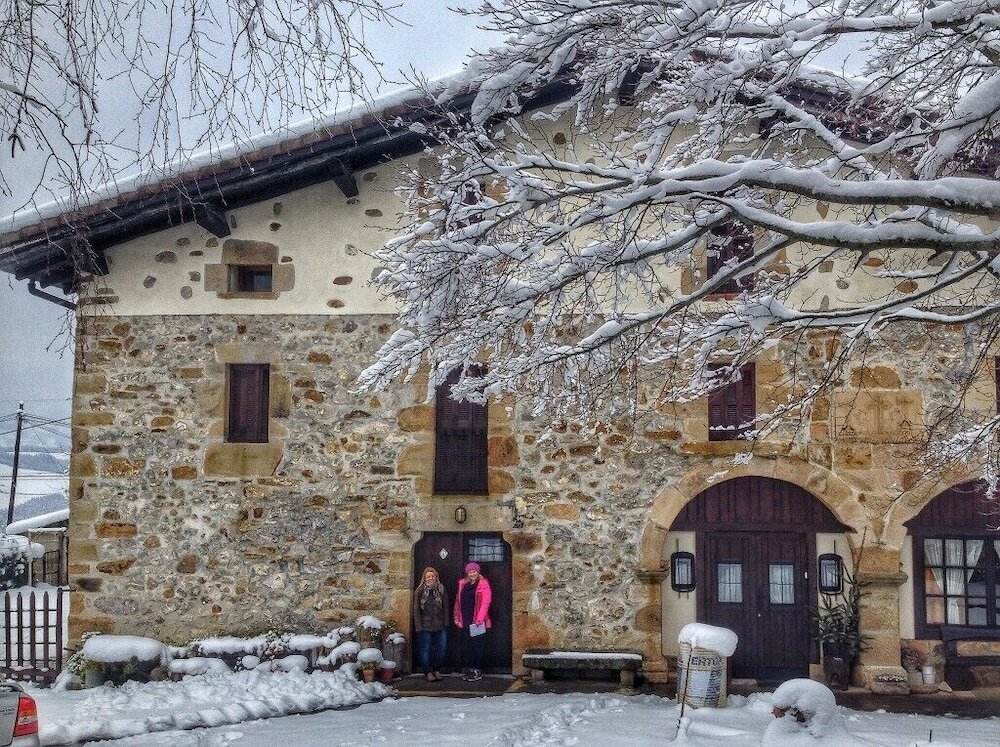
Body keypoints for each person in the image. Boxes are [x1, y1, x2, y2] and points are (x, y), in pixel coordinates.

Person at [453, 561, 492, 681]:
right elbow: (458, 601)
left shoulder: (483, 584)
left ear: (478, 572)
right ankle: (471, 669)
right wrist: (457, 616)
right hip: (465, 619)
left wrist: (479, 619)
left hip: (477, 621)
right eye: (470, 572)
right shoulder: (463, 584)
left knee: (477, 646)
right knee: (468, 646)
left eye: (474, 571)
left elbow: (486, 602)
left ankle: (477, 670)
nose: (472, 574)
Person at [413, 566, 449, 682]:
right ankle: (427, 672)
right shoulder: (419, 591)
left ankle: (437, 670)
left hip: (440, 624)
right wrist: (418, 625)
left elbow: (446, 607)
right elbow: (416, 610)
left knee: (441, 648)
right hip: (425, 625)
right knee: (425, 649)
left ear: (436, 577)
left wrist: (446, 622)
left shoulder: (441, 589)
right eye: (428, 576)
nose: (430, 578)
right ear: (425, 578)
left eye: (433, 576)